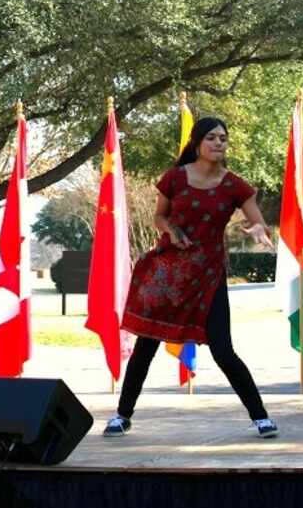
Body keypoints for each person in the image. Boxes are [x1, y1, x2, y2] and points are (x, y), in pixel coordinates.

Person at [104, 116, 279, 439]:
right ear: (197, 143)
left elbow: (257, 221)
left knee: (223, 350)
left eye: (223, 138)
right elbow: (159, 216)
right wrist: (170, 229)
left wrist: (257, 229)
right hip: (168, 275)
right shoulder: (175, 178)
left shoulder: (235, 185)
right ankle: (122, 416)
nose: (218, 143)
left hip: (208, 278)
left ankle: (261, 418)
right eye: (211, 137)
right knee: (146, 346)